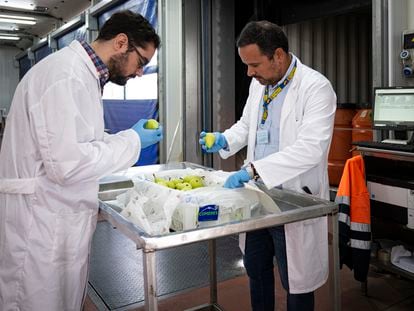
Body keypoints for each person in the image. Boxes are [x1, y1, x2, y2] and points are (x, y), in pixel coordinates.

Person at [0, 10, 162, 311]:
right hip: (40, 222)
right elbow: (68, 164)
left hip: (57, 216)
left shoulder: (82, 74)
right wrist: (133, 141)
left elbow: (82, 142)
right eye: (141, 62)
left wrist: (124, 137)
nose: (140, 72)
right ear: (121, 43)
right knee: (35, 301)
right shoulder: (65, 76)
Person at [200, 21, 336, 310]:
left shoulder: (315, 88)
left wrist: (252, 170)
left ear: (278, 55)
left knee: (295, 282)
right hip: (258, 198)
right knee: (256, 268)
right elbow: (248, 125)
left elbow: (311, 149)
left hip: (293, 199)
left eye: (254, 64)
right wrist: (224, 139)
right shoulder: (259, 84)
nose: (249, 72)